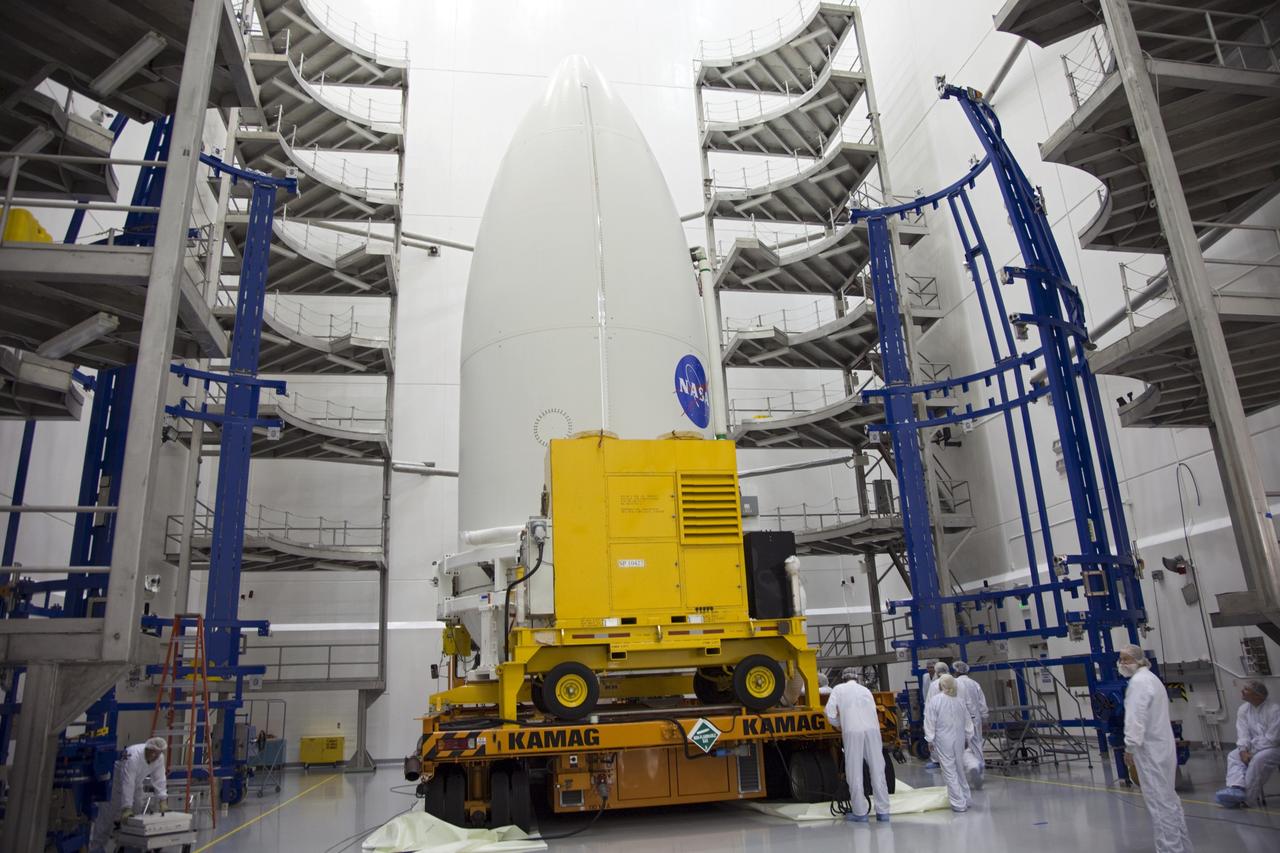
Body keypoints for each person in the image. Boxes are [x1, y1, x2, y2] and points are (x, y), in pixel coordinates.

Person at [1118, 644, 1192, 853]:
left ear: (1138, 659)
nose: (1122, 663)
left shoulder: (1138, 683)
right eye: (1121, 659)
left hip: (1149, 751)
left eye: (1126, 659)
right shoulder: (1151, 679)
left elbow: (1135, 718)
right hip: (1161, 747)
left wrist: (1130, 748)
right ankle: (1182, 847)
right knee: (1169, 800)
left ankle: (1170, 849)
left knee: (1160, 805)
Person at [825, 667, 891, 823]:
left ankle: (860, 813)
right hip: (873, 731)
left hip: (853, 731)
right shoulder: (865, 690)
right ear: (856, 677)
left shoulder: (838, 689)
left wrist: (840, 724)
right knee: (878, 769)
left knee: (854, 771)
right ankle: (883, 812)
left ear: (843, 678)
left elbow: (829, 712)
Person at [90, 737, 169, 852]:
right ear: (148, 749)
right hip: (115, 786)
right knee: (106, 818)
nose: (155, 756)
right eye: (154, 753)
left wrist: (162, 799)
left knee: (136, 816)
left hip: (136, 785)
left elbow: (160, 779)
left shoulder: (159, 759)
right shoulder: (132, 755)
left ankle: (129, 846)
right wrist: (127, 807)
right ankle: (96, 847)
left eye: (158, 754)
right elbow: (127, 782)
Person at [1216, 679, 1279, 808]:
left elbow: (1273, 738)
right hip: (1252, 748)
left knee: (1258, 760)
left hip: (1273, 748)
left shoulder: (1274, 710)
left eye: (1246, 689)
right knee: (1234, 755)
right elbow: (1243, 733)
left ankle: (1247, 798)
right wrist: (1243, 750)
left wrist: (1252, 751)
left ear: (1257, 694)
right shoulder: (1243, 710)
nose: (1242, 691)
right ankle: (1235, 788)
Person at [924, 673, 973, 812]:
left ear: (941, 685)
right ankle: (966, 798)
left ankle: (958, 803)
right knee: (959, 769)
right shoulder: (959, 701)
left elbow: (929, 721)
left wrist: (930, 739)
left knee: (949, 771)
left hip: (943, 739)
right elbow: (968, 722)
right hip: (959, 738)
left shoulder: (936, 700)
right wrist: (968, 737)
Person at [952, 660, 989, 788]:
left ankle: (966, 774)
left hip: (960, 718)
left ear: (956, 671)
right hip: (975, 718)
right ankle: (980, 771)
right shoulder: (975, 684)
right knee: (977, 744)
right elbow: (981, 702)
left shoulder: (954, 684)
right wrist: (985, 718)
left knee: (961, 747)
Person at [923, 661, 949, 769]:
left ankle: (937, 761)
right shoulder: (954, 682)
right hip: (950, 716)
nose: (930, 669)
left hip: (938, 716)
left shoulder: (934, 685)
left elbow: (929, 703)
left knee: (937, 739)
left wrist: (926, 718)